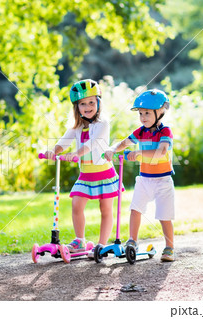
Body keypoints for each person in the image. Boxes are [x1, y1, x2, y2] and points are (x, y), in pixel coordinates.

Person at [44, 79, 120, 256]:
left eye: (91, 102)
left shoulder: (103, 124)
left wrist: (77, 153)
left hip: (104, 173)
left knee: (106, 209)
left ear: (98, 102)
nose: (88, 107)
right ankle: (80, 241)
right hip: (86, 175)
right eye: (83, 104)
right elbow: (64, 141)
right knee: (76, 204)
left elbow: (93, 144)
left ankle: (101, 245)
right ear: (76, 107)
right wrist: (53, 151)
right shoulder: (76, 126)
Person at [104, 89, 175, 261]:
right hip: (144, 179)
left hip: (163, 180)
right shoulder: (141, 131)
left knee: (164, 216)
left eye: (147, 113)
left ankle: (169, 247)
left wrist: (139, 154)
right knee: (135, 209)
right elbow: (125, 142)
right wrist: (112, 149)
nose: (143, 117)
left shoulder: (165, 132)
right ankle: (132, 241)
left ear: (160, 112)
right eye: (141, 113)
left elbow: (161, 151)